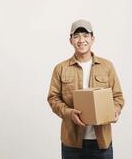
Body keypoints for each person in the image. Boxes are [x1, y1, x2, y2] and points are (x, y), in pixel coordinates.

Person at [47, 19, 125, 159]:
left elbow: (118, 97)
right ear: (70, 40)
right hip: (72, 143)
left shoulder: (107, 66)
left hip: (101, 143)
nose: (81, 40)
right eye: (76, 36)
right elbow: (53, 99)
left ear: (92, 39)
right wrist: (69, 113)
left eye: (85, 35)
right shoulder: (61, 68)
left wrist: (114, 110)